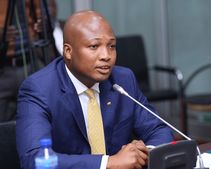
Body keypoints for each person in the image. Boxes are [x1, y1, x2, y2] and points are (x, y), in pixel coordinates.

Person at [16, 10, 173, 169]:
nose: (106, 55)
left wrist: (146, 153)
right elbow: (34, 159)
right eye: (94, 46)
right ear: (68, 51)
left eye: (111, 46)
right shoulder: (39, 89)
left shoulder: (123, 80)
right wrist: (108, 163)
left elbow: (158, 129)